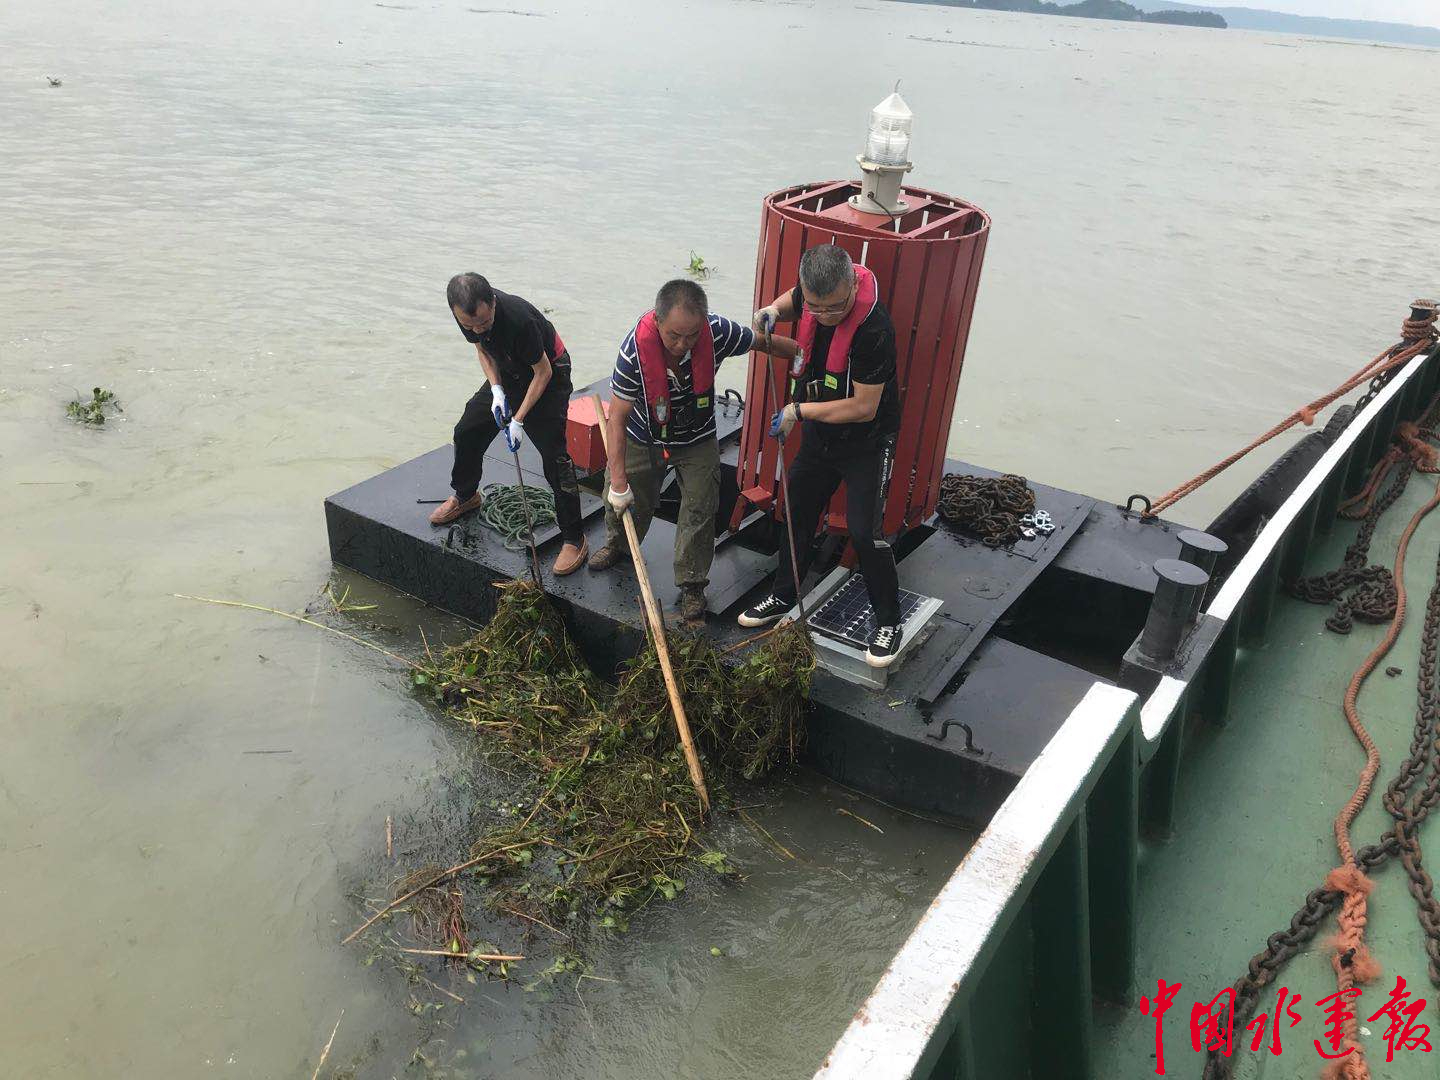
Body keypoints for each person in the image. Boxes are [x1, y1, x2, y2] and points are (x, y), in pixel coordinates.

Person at [588, 279, 797, 623]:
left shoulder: (717, 332)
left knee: (701, 507)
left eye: (691, 336)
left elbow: (760, 342)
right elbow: (618, 419)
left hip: (697, 436)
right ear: (657, 321)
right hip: (644, 433)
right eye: (674, 336)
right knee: (624, 496)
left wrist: (801, 352)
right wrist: (620, 482)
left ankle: (692, 584)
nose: (683, 345)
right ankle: (618, 545)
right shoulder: (632, 353)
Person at [737, 244, 903, 668]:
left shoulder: (874, 329)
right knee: (796, 510)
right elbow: (785, 303)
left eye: (835, 307)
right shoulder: (810, 295)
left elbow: (864, 406)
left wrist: (798, 411)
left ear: (851, 286)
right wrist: (770, 312)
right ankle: (783, 594)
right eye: (816, 308)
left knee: (866, 532)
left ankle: (888, 621)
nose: (825, 315)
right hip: (820, 435)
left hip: (867, 441)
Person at [429, 273, 587, 577]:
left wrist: (518, 419)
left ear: (493, 303)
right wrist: (497, 391)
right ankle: (466, 495)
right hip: (508, 368)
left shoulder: (518, 320)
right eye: (469, 325)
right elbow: (483, 350)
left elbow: (543, 373)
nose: (477, 329)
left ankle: (574, 538)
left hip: (548, 374)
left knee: (555, 457)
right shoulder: (467, 315)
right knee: (468, 429)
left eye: (484, 323)